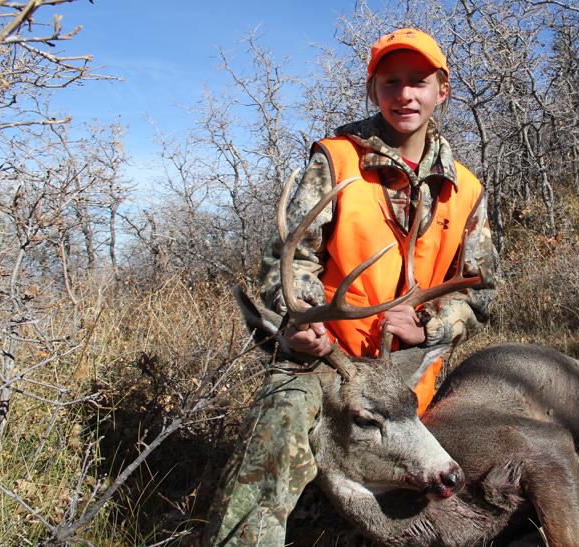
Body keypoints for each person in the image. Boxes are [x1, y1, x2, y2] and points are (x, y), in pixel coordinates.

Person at [205, 28, 496, 546]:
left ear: (441, 91)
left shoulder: (465, 188)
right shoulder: (336, 161)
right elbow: (288, 260)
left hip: (406, 374)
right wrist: (302, 321)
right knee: (278, 429)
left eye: (418, 82)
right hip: (328, 362)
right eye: (390, 82)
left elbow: (481, 290)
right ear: (373, 90)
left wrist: (430, 324)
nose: (404, 94)